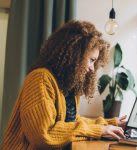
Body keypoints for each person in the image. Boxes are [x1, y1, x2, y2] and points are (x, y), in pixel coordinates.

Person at [1, 20, 127, 150]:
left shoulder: (67, 84)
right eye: (91, 60)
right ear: (75, 54)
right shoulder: (41, 78)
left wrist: (110, 124)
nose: (92, 68)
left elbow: (70, 123)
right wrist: (99, 130)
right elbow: (43, 135)